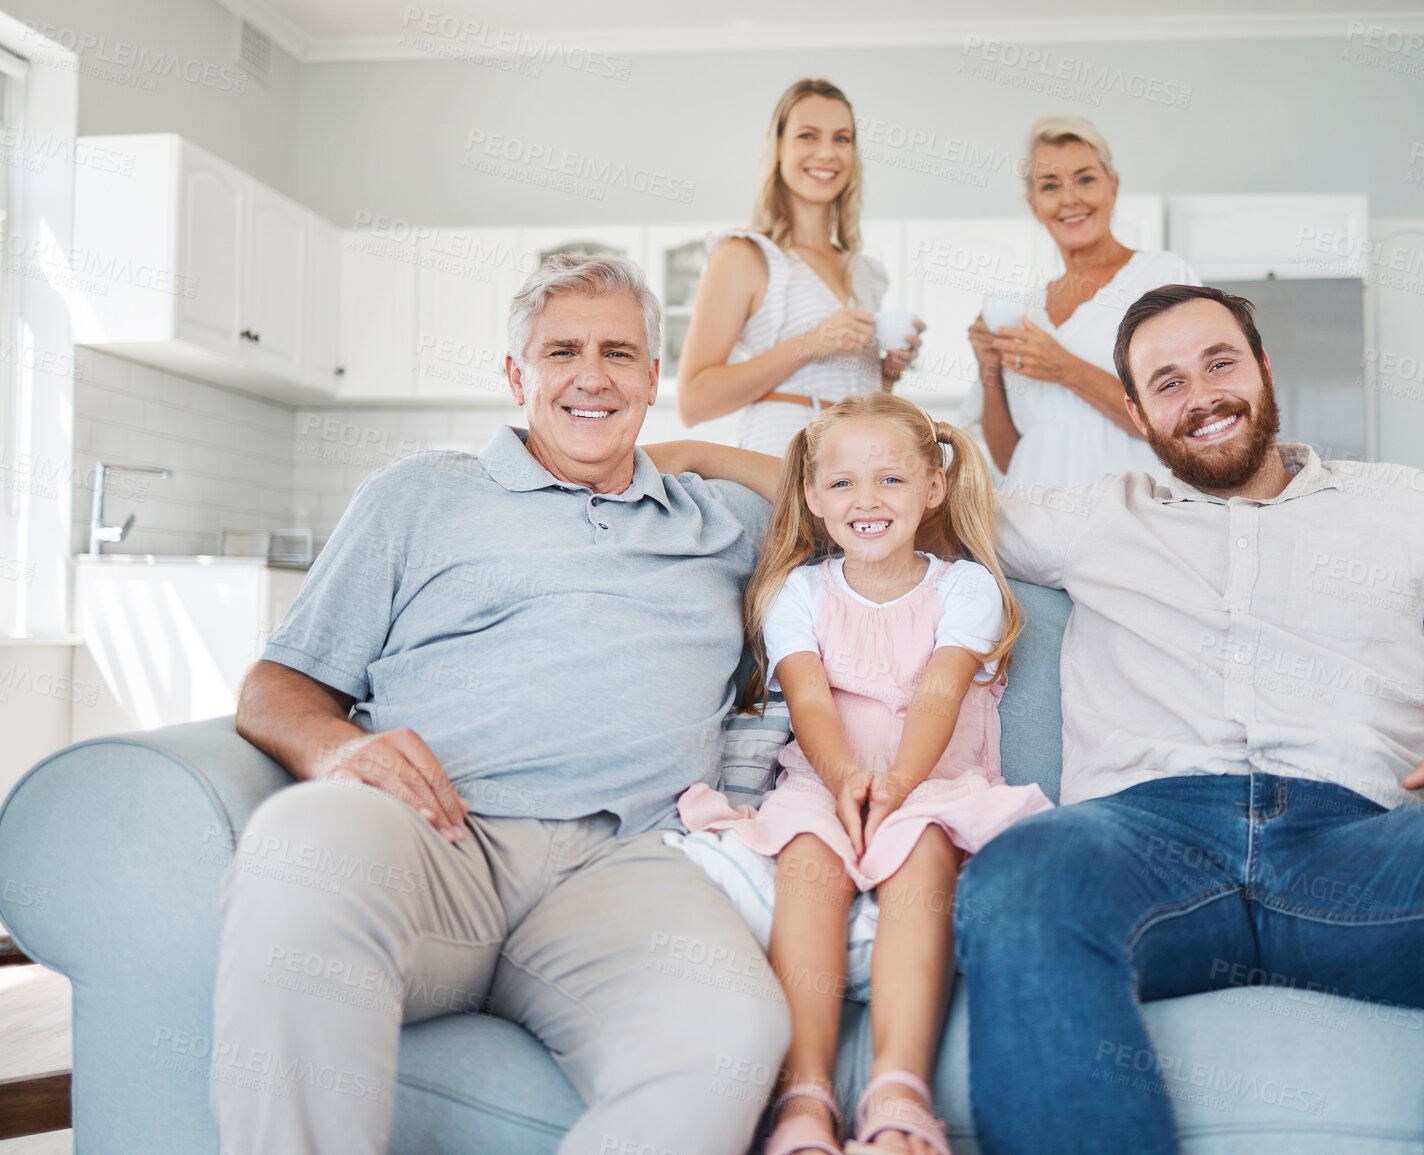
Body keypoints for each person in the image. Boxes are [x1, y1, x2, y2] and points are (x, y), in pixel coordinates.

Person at [955, 285, 1424, 1155]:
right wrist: (731, 455)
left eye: (1219, 362)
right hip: (1144, 842)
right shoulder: (1090, 514)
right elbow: (886, 489)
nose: (1200, 394)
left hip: (1359, 847)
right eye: (1165, 383)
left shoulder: (1404, 504)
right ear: (1132, 410)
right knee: (1021, 872)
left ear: (1263, 366)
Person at [214, 255, 791, 1155]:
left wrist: (704, 450)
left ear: (652, 378)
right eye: (562, 351)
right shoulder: (419, 494)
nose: (592, 375)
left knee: (729, 1037)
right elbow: (275, 686)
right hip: (436, 837)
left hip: (629, 863)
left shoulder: (719, 518)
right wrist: (331, 750)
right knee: (300, 844)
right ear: (517, 375)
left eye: (619, 353)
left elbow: (880, 486)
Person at [652, 394, 1050, 1155]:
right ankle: (803, 1098)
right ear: (810, 496)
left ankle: (898, 1092)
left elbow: (938, 692)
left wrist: (896, 783)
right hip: (820, 778)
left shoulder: (963, 588)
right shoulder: (796, 592)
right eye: (841, 484)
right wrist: (842, 781)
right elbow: (807, 698)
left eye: (890, 480)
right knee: (807, 854)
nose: (865, 500)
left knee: (922, 847)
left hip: (931, 778)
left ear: (932, 487)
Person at [677, 78, 923, 456]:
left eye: (842, 139)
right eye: (808, 136)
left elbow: (857, 399)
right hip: (779, 461)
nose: (827, 153)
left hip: (857, 465)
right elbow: (693, 402)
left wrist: (888, 372)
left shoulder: (865, 271)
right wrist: (812, 342)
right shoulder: (746, 255)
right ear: (776, 146)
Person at [966, 115, 1200, 488]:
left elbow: (1183, 417)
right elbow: (1012, 458)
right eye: (1050, 185)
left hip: (1136, 521)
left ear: (1113, 187)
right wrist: (987, 365)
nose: (1069, 198)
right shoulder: (1024, 313)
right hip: (1033, 525)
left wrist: (1064, 368)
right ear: (1033, 204)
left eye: (1086, 179)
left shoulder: (1161, 276)